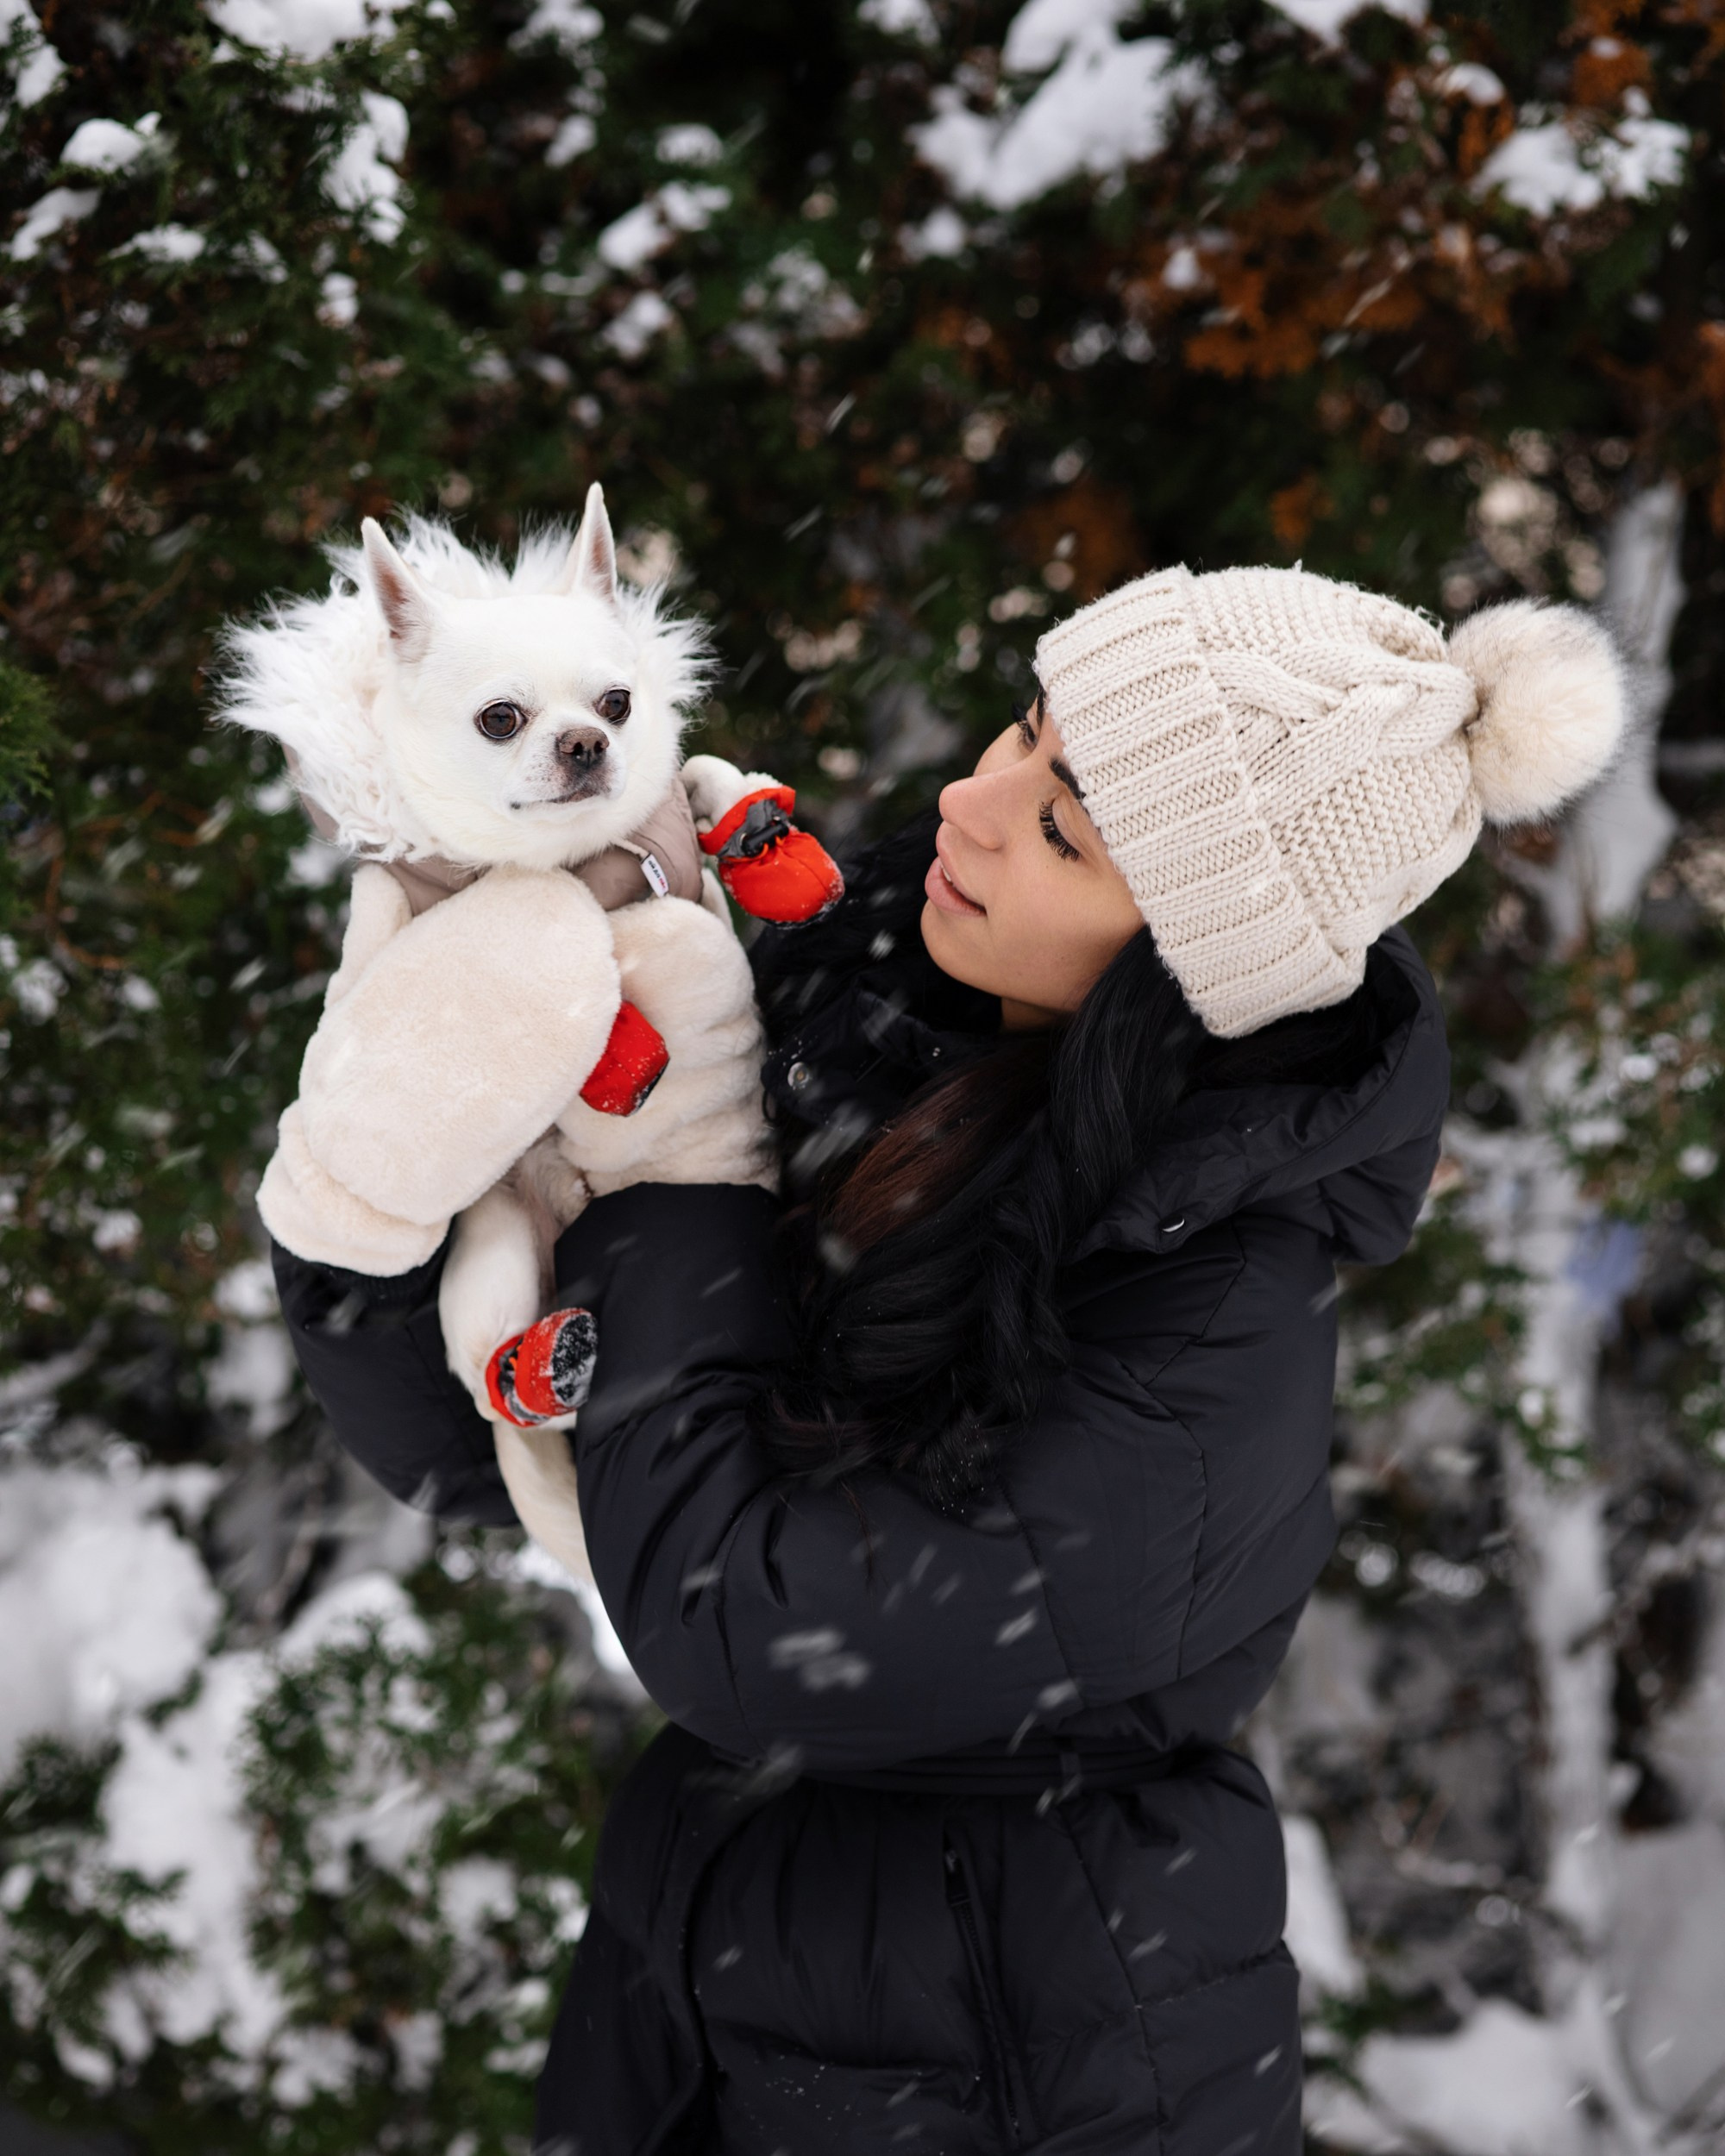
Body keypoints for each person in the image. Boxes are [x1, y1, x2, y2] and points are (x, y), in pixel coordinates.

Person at [272, 563, 1626, 2153]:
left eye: (1064, 831)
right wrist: (371, 1179)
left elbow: (743, 1625)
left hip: (1023, 2052)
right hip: (708, 1978)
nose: (971, 804)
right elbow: (484, 1450)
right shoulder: (870, 1028)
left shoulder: (1210, 1339)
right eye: (1022, 732)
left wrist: (669, 1171)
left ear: (1190, 966)